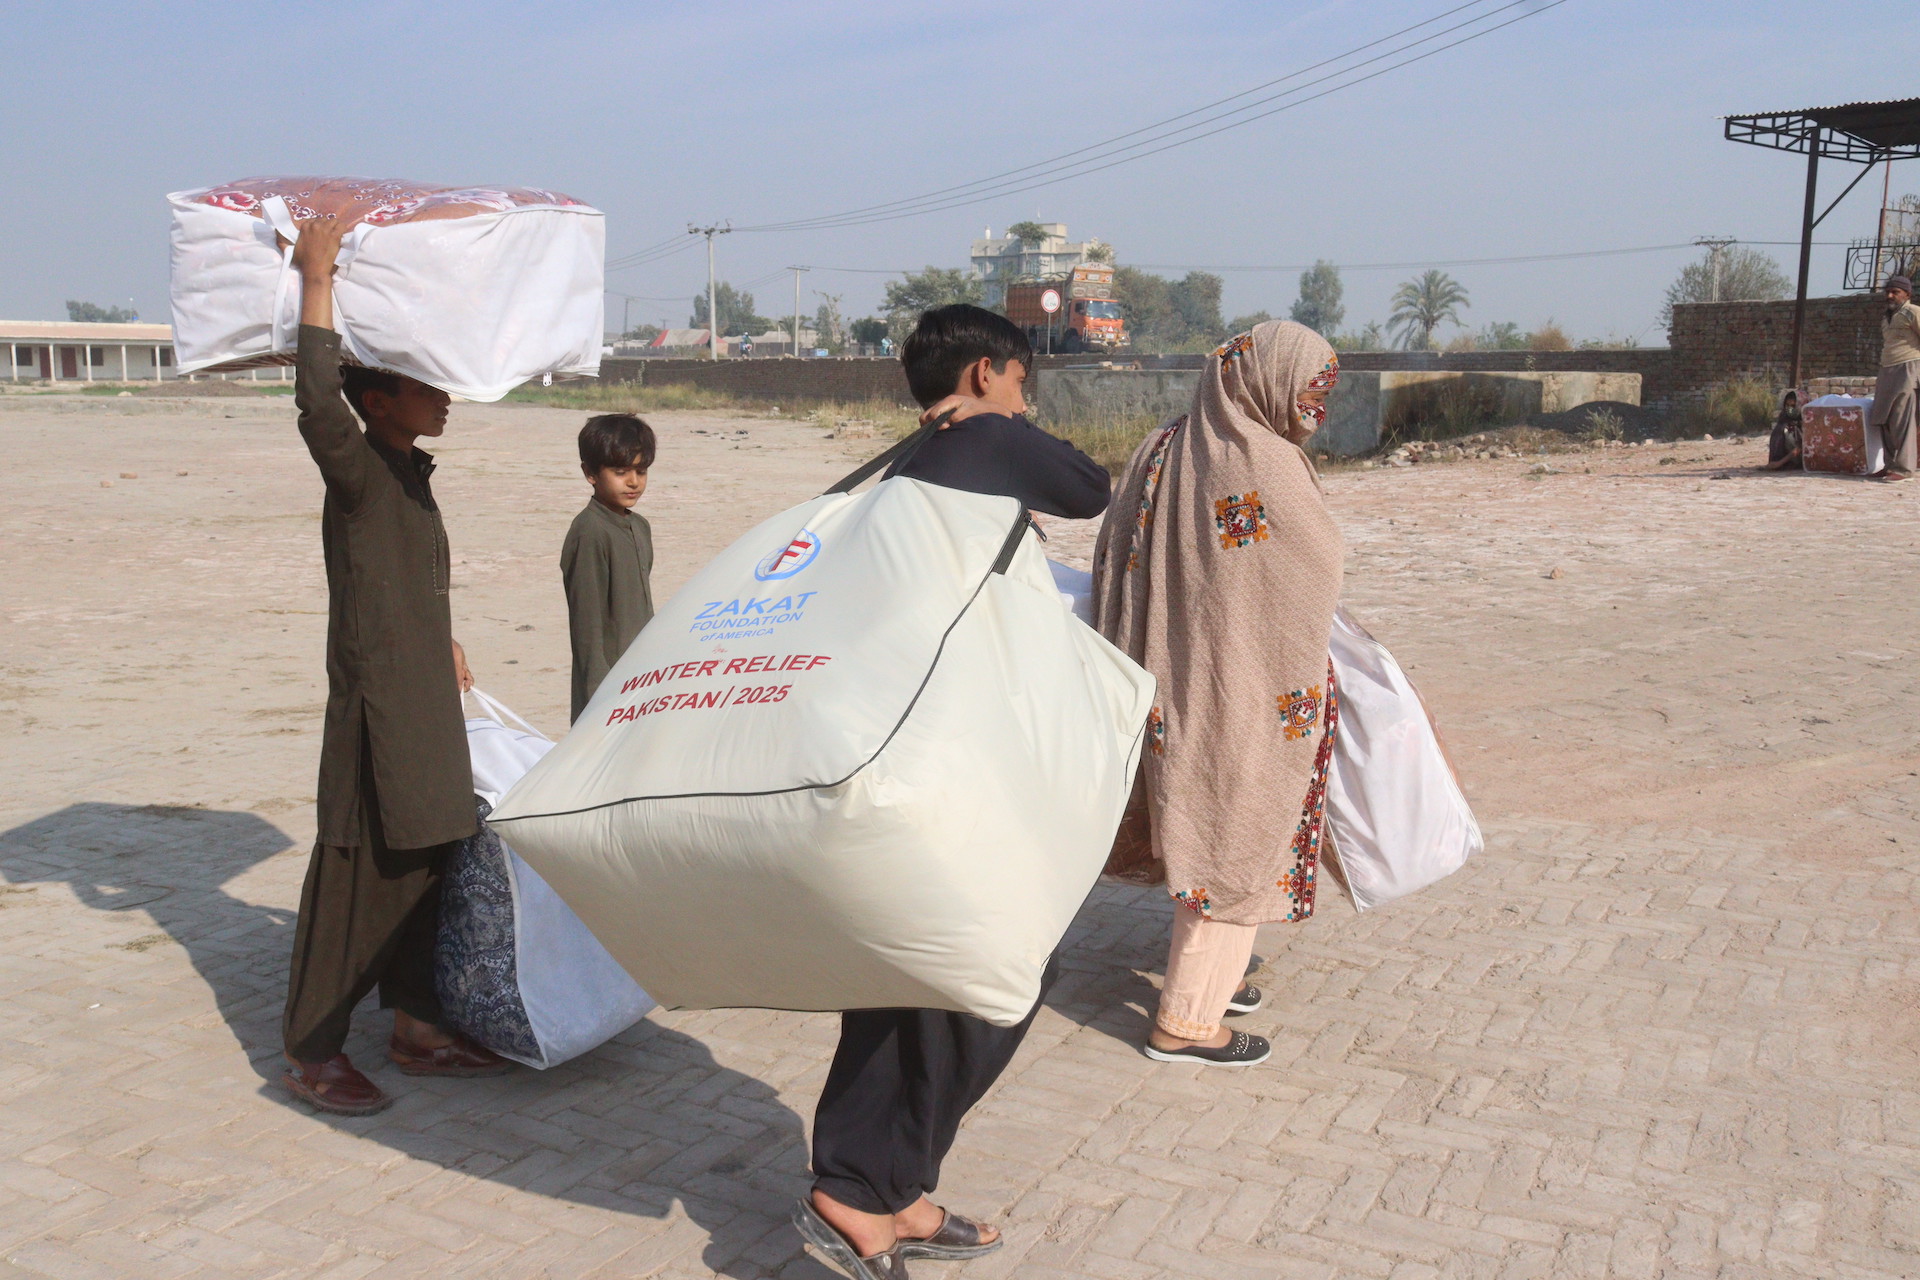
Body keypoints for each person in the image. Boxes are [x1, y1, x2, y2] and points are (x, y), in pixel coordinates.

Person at [792, 304, 1108, 1280]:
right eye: (1020, 380)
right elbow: (1091, 487)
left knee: (906, 976)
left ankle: (889, 1186)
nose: (1025, 399)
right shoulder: (987, 439)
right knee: (989, 970)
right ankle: (857, 1185)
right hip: (947, 760)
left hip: (900, 748)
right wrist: (1004, 421)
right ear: (982, 373)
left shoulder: (907, 465)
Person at [280, 213, 510, 1116]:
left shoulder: (411, 474)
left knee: (438, 855)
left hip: (427, 701)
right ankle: (311, 1050)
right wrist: (318, 279)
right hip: (378, 716)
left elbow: (403, 583)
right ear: (377, 401)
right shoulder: (360, 470)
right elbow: (312, 402)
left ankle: (416, 1027)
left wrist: (441, 637)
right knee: (360, 877)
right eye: (425, 383)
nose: (443, 394)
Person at [1090, 320, 1344, 1068]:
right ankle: (1187, 1021)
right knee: (1238, 838)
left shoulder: (1164, 443)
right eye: (1308, 390)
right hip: (1242, 688)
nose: (1312, 409)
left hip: (1169, 685)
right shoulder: (1261, 459)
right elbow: (1308, 569)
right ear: (1265, 381)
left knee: (1206, 823)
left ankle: (1211, 983)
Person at [562, 413, 657, 722]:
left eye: (641, 471)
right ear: (590, 473)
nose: (633, 482)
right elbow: (588, 630)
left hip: (643, 675)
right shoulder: (590, 531)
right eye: (620, 471)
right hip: (607, 689)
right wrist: (598, 705)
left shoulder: (639, 527)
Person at [1873, 274, 1920, 482]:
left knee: (1902, 417)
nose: (1890, 295)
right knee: (1883, 417)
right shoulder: (1887, 317)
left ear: (1907, 294)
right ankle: (1889, 464)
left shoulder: (1913, 312)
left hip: (1907, 367)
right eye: (1888, 292)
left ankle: (1903, 468)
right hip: (1886, 369)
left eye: (1895, 292)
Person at [1765, 388, 1802, 471]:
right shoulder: (1783, 423)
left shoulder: (1803, 424)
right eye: (1787, 406)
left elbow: (1799, 449)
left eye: (1792, 406)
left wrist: (1779, 463)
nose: (1789, 409)